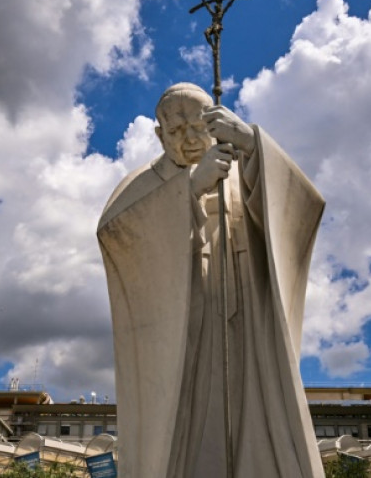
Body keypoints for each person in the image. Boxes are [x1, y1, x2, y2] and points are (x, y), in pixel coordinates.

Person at [98, 83, 325, 477]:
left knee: (253, 416)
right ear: (159, 135)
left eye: (197, 126)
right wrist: (186, 190)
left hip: (245, 329)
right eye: (175, 130)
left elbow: (302, 205)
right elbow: (117, 233)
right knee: (190, 432)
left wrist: (252, 144)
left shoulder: (241, 172)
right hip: (183, 337)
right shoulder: (146, 182)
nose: (188, 139)